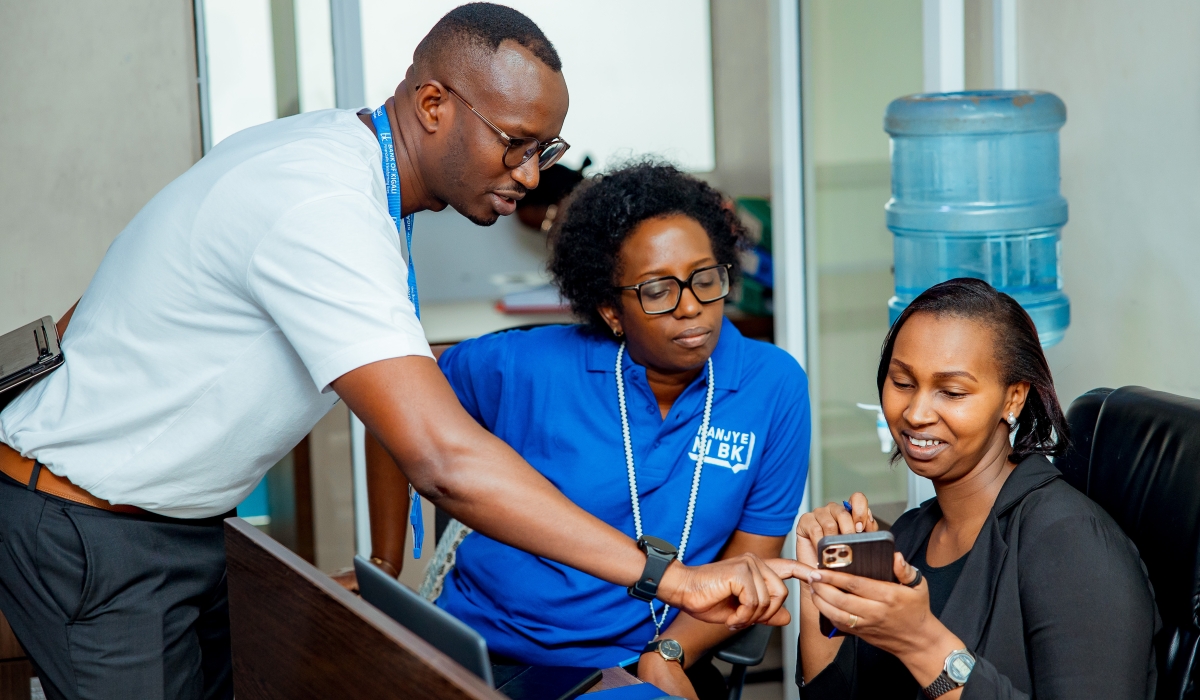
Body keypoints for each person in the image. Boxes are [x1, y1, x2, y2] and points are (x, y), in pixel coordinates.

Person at [0, 5, 801, 699]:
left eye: (546, 150)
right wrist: (667, 576)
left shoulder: (355, 173)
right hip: (94, 524)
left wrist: (385, 566)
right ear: (432, 104)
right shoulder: (325, 203)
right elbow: (442, 458)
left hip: (180, 522)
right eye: (515, 144)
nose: (530, 176)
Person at [409, 162, 809, 700]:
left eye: (705, 279)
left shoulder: (772, 384)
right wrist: (385, 560)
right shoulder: (529, 365)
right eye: (658, 290)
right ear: (611, 310)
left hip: (641, 662)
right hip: (487, 651)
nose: (691, 306)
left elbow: (750, 565)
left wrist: (669, 653)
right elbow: (398, 394)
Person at [793, 278, 1159, 699]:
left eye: (952, 392)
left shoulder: (1072, 544)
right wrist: (818, 589)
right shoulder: (910, 534)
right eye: (903, 383)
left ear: (1013, 399)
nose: (916, 413)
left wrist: (921, 641)